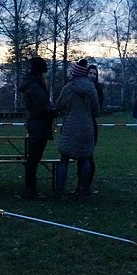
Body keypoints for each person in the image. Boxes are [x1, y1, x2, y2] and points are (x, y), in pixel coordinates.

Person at [55, 59, 99, 197]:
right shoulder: (91, 88)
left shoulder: (69, 87)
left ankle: (59, 190)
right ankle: (83, 189)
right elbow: (96, 110)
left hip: (70, 127)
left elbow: (59, 105)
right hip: (87, 127)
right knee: (85, 158)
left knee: (64, 160)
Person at [18, 56, 57, 199]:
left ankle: (30, 189)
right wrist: (56, 110)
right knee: (34, 158)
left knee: (33, 158)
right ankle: (30, 190)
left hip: (35, 124)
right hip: (38, 125)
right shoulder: (35, 86)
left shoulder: (31, 84)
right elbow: (42, 107)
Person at [84, 64, 104, 194]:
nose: (92, 76)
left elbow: (98, 109)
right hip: (83, 123)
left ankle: (87, 184)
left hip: (91, 124)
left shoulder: (98, 90)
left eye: (94, 74)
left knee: (89, 156)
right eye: (90, 73)